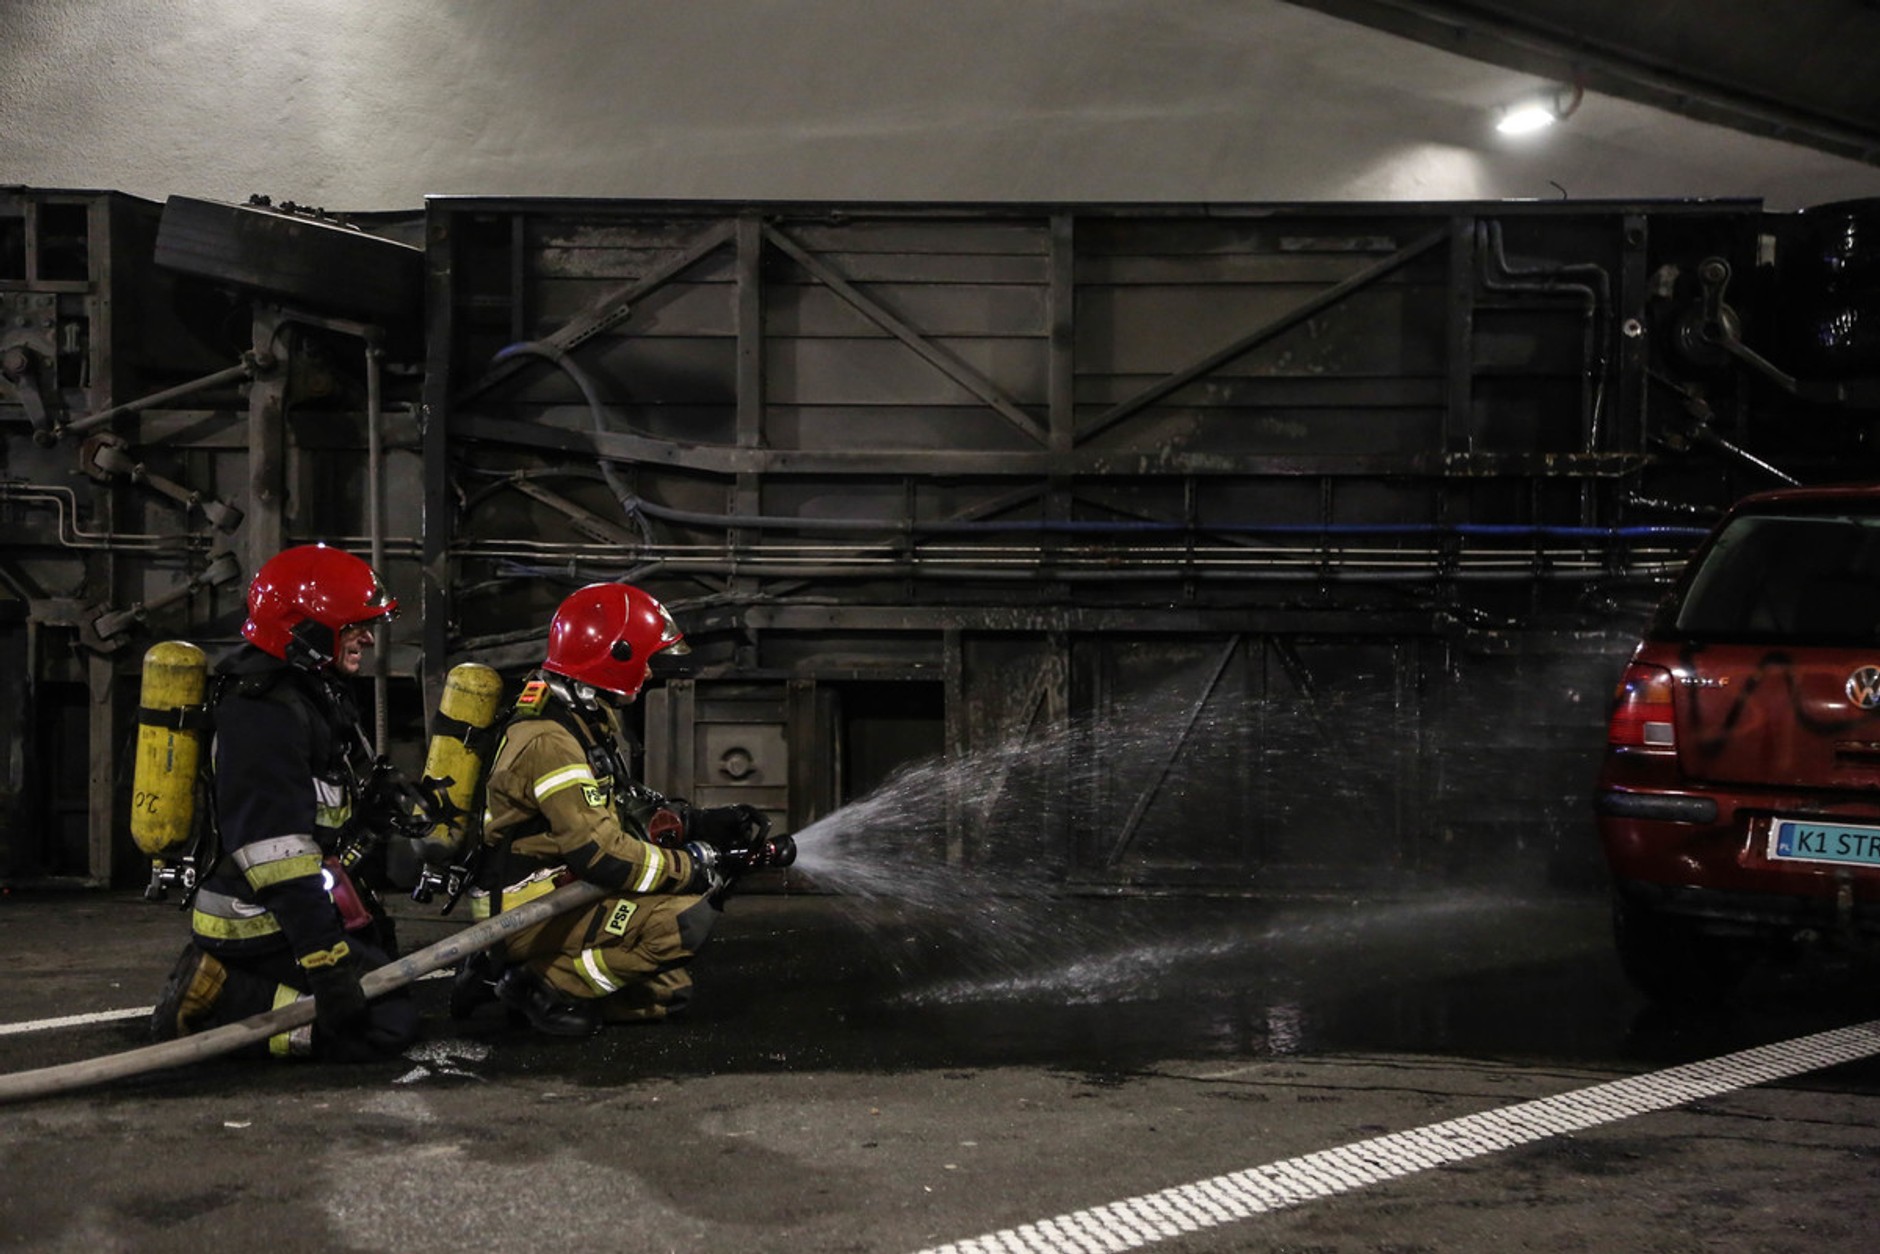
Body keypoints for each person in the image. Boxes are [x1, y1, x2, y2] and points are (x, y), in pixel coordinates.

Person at [451, 581, 770, 1036]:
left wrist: (697, 822)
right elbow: (599, 854)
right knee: (682, 919)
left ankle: (507, 973)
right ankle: (532, 980)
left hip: (562, 889)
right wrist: (693, 865)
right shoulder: (550, 740)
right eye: (641, 659)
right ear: (611, 656)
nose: (648, 673)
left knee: (668, 992)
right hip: (532, 907)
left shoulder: (584, 716)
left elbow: (619, 806)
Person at [149, 543, 421, 1061]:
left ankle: (254, 985)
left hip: (284, 905)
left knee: (383, 975)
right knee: (381, 1025)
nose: (367, 636)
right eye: (354, 625)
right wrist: (325, 960)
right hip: (253, 917)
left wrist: (367, 812)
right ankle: (224, 993)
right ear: (307, 629)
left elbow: (314, 817)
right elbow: (277, 856)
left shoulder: (311, 689)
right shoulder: (264, 712)